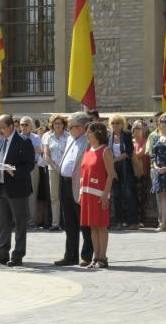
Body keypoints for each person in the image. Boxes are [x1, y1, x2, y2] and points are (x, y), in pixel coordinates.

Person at [0, 115, 36, 267]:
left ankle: (17, 255)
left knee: (19, 223)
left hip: (17, 188)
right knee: (3, 223)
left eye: (2, 128)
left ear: (11, 126)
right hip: (2, 186)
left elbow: (30, 164)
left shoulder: (24, 141)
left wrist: (15, 171)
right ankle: (2, 253)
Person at [54, 113, 94, 266]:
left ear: (83, 127)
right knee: (69, 222)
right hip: (64, 182)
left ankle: (87, 255)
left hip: (79, 184)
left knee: (84, 222)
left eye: (72, 126)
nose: (69, 129)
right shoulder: (71, 139)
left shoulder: (89, 142)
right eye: (68, 126)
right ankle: (70, 255)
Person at [79, 122, 116, 268]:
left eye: (89, 132)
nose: (86, 134)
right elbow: (83, 173)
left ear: (98, 133)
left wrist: (105, 194)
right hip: (87, 194)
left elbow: (111, 174)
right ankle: (95, 257)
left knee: (101, 226)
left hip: (100, 195)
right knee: (92, 227)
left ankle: (103, 257)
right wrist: (81, 192)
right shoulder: (88, 150)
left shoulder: (105, 150)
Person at [108, 114, 137, 230]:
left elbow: (128, 152)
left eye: (117, 123)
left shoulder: (127, 135)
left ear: (122, 124)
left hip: (125, 166)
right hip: (113, 168)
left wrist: (114, 160)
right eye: (113, 123)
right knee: (116, 194)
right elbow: (107, 152)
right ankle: (119, 221)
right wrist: (111, 164)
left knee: (128, 193)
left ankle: (133, 221)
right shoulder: (109, 136)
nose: (115, 125)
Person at [43, 115, 69, 232]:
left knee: (67, 196)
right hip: (52, 169)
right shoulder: (48, 137)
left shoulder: (69, 136)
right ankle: (55, 223)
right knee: (54, 196)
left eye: (60, 123)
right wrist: (54, 166)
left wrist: (63, 167)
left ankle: (68, 222)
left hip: (67, 170)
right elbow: (46, 155)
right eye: (55, 123)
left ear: (64, 124)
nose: (57, 125)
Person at [19, 116, 43, 227]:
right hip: (19, 167)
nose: (23, 127)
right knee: (20, 195)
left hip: (33, 166)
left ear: (31, 126)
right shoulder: (17, 137)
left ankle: (32, 221)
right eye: (22, 124)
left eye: (26, 124)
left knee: (32, 195)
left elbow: (39, 151)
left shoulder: (36, 138)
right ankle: (22, 220)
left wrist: (24, 152)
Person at [132, 120, 150, 225]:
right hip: (132, 173)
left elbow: (140, 154)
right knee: (133, 196)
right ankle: (135, 218)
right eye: (135, 129)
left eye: (139, 129)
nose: (137, 131)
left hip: (143, 173)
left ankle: (141, 219)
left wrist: (131, 155)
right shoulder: (131, 141)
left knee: (142, 197)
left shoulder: (146, 141)